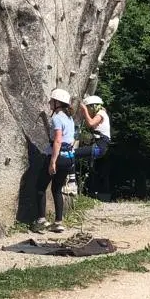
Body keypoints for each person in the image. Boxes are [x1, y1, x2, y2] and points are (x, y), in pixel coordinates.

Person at [34, 88, 75, 233]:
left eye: (52, 100)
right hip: (68, 158)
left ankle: (41, 220)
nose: (50, 102)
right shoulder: (69, 118)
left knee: (40, 187)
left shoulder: (57, 118)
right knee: (57, 189)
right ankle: (58, 222)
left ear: (58, 103)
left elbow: (57, 140)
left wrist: (52, 162)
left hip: (57, 156)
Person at [76, 95, 111, 160]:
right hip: (99, 147)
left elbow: (90, 123)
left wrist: (85, 110)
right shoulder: (100, 114)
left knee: (72, 154)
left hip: (99, 147)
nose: (88, 111)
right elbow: (88, 124)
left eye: (88, 108)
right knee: (74, 156)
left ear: (93, 107)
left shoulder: (101, 113)